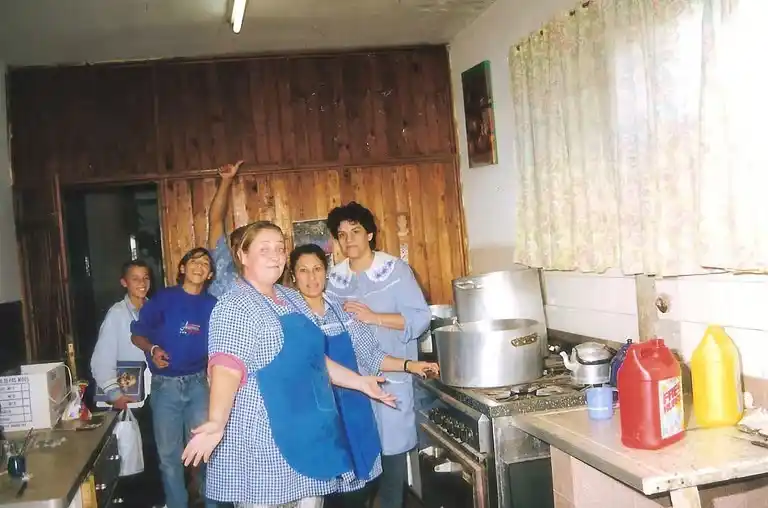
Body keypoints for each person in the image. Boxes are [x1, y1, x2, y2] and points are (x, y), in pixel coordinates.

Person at [181, 221, 396, 508]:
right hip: (267, 438)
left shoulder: (292, 298)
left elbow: (313, 358)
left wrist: (360, 382)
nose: (275, 255)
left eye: (280, 249)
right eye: (264, 249)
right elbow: (226, 365)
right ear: (243, 256)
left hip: (309, 432)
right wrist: (217, 421)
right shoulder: (235, 305)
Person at [288, 243, 439, 508]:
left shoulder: (343, 311)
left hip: (354, 416)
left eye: (317, 269)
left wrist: (411, 365)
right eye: (303, 271)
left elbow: (372, 357)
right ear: (293, 276)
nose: (311, 277)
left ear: (326, 272)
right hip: (316, 420)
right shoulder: (289, 316)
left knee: (357, 494)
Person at [326, 202, 431, 508]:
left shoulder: (395, 271)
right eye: (342, 234)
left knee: (392, 459)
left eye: (355, 231)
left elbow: (420, 317)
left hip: (391, 378)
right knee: (358, 461)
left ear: (370, 234)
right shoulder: (334, 280)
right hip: (351, 383)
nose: (349, 240)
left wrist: (376, 317)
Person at [130, 248, 218, 508]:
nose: (199, 266)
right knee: (169, 457)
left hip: (199, 385)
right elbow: (137, 334)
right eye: (194, 261)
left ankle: (210, 502)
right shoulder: (164, 299)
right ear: (182, 268)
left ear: (210, 274)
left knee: (205, 454)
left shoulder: (213, 305)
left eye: (205, 263)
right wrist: (153, 349)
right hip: (165, 387)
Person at [90, 259, 164, 508]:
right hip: (129, 399)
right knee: (131, 460)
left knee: (154, 456)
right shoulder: (117, 314)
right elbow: (100, 360)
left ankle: (155, 502)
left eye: (146, 278)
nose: (142, 283)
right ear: (124, 282)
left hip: (155, 394)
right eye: (135, 278)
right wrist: (114, 394)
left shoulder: (153, 310)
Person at [207, 160, 245, 298]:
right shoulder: (223, 266)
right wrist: (226, 181)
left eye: (247, 244)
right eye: (237, 244)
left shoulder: (269, 276)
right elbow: (215, 221)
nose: (241, 249)